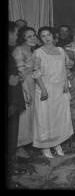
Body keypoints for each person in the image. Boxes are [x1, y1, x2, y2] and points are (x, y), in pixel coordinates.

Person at [32, 27, 74, 158]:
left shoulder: (60, 50)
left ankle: (57, 143)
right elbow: (36, 72)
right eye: (43, 36)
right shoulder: (38, 52)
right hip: (45, 89)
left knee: (58, 118)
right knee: (45, 118)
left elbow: (66, 67)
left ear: (53, 35)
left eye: (48, 35)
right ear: (40, 39)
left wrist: (66, 82)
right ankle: (45, 146)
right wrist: (43, 90)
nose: (46, 38)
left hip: (60, 89)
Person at [12, 27, 38, 158]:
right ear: (22, 38)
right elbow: (19, 74)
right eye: (29, 36)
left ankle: (27, 144)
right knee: (23, 117)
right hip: (23, 86)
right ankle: (18, 147)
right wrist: (26, 92)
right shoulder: (19, 50)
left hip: (32, 84)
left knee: (31, 116)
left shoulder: (31, 50)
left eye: (34, 35)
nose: (33, 38)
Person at [8, 22, 27, 178]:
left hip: (14, 101)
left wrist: (17, 77)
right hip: (10, 102)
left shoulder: (11, 51)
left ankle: (11, 167)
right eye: (14, 33)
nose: (16, 36)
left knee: (12, 139)